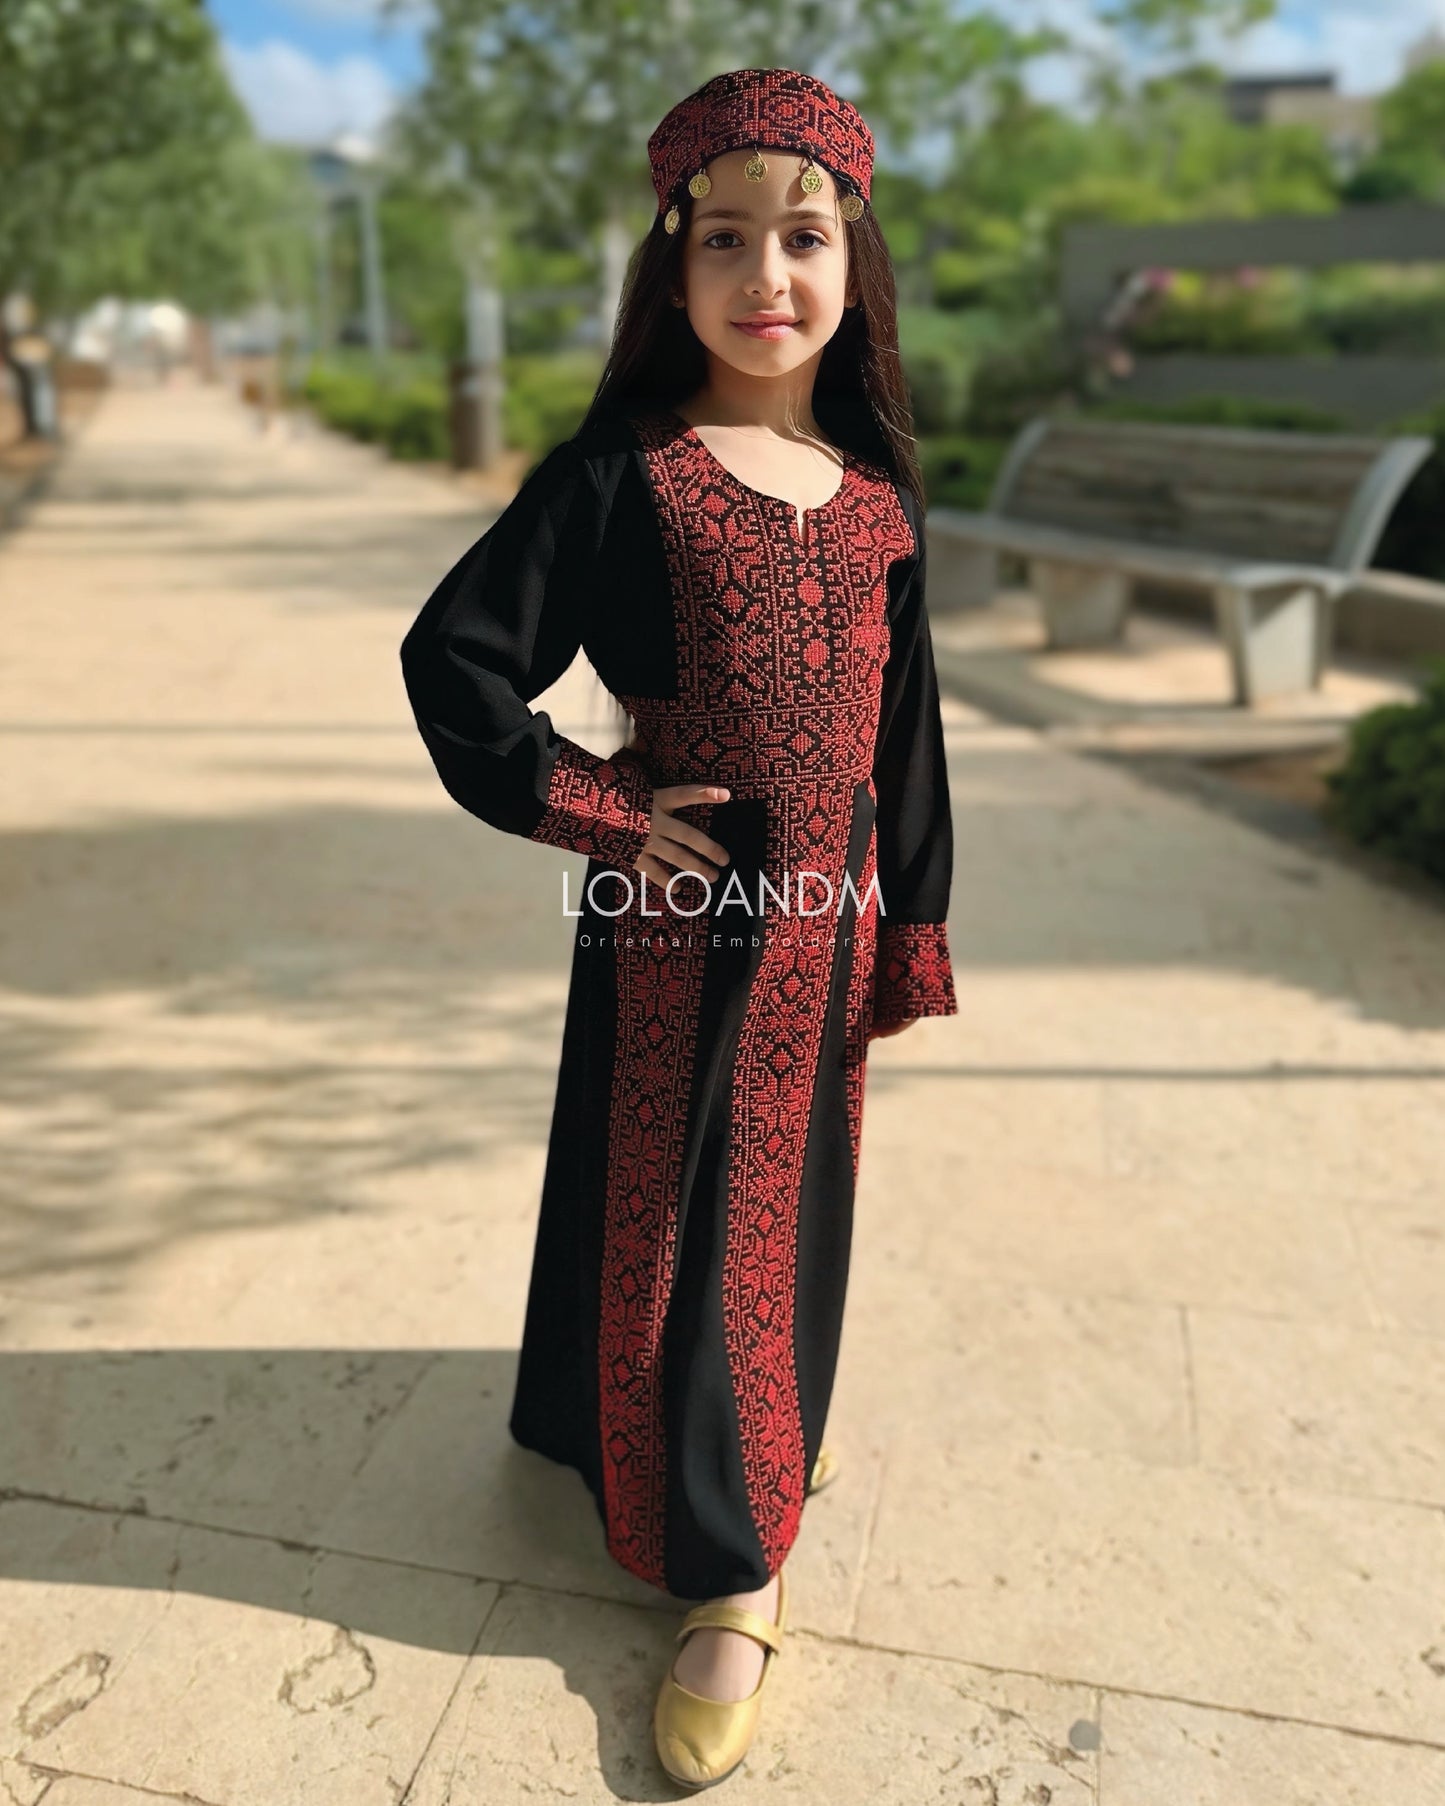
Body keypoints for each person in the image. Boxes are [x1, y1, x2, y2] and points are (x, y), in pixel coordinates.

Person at [400, 66, 957, 1790]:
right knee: (664, 1193)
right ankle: (732, 1553)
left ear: (853, 261)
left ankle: (740, 1462)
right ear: (672, 262)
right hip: (674, 918)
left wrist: (912, 916)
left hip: (820, 925)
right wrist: (596, 807)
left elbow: (909, 737)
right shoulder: (621, 476)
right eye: (723, 239)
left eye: (802, 238)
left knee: (779, 1201)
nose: (764, 276)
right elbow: (455, 661)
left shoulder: (875, 500)